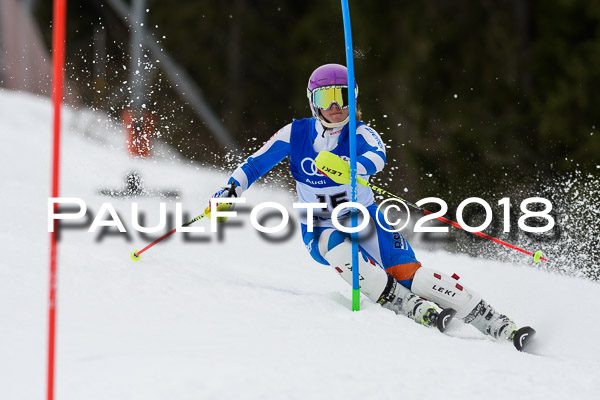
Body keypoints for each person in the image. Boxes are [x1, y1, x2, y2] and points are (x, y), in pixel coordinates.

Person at [212, 63, 522, 344]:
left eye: (343, 97)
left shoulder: (361, 133)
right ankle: (401, 302)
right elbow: (254, 164)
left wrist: (353, 167)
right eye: (325, 99)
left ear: (354, 99)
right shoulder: (295, 133)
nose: (335, 107)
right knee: (340, 251)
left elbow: (377, 157)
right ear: (312, 101)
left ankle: (491, 319)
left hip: (366, 218)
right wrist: (230, 190)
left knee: (414, 276)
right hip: (320, 224)